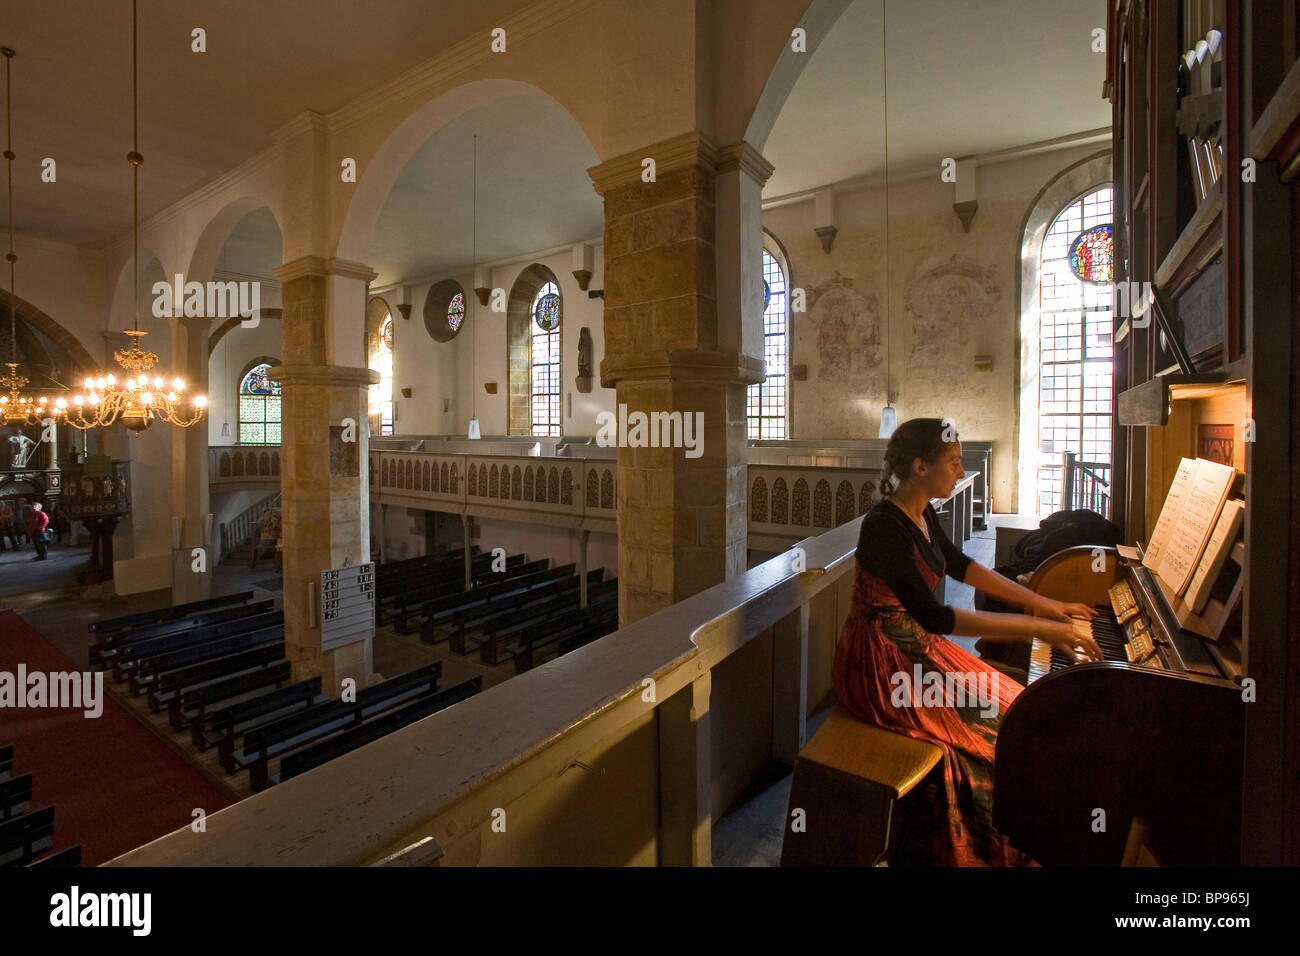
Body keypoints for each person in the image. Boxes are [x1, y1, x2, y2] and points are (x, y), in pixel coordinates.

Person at [832, 418, 1101, 866]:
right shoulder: (885, 525)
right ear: (920, 467)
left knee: (1017, 706)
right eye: (954, 463)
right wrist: (1041, 628)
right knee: (993, 738)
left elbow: (958, 565)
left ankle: (1040, 836)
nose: (961, 472)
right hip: (879, 663)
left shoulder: (922, 510)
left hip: (913, 647)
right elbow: (936, 617)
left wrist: (1042, 603)